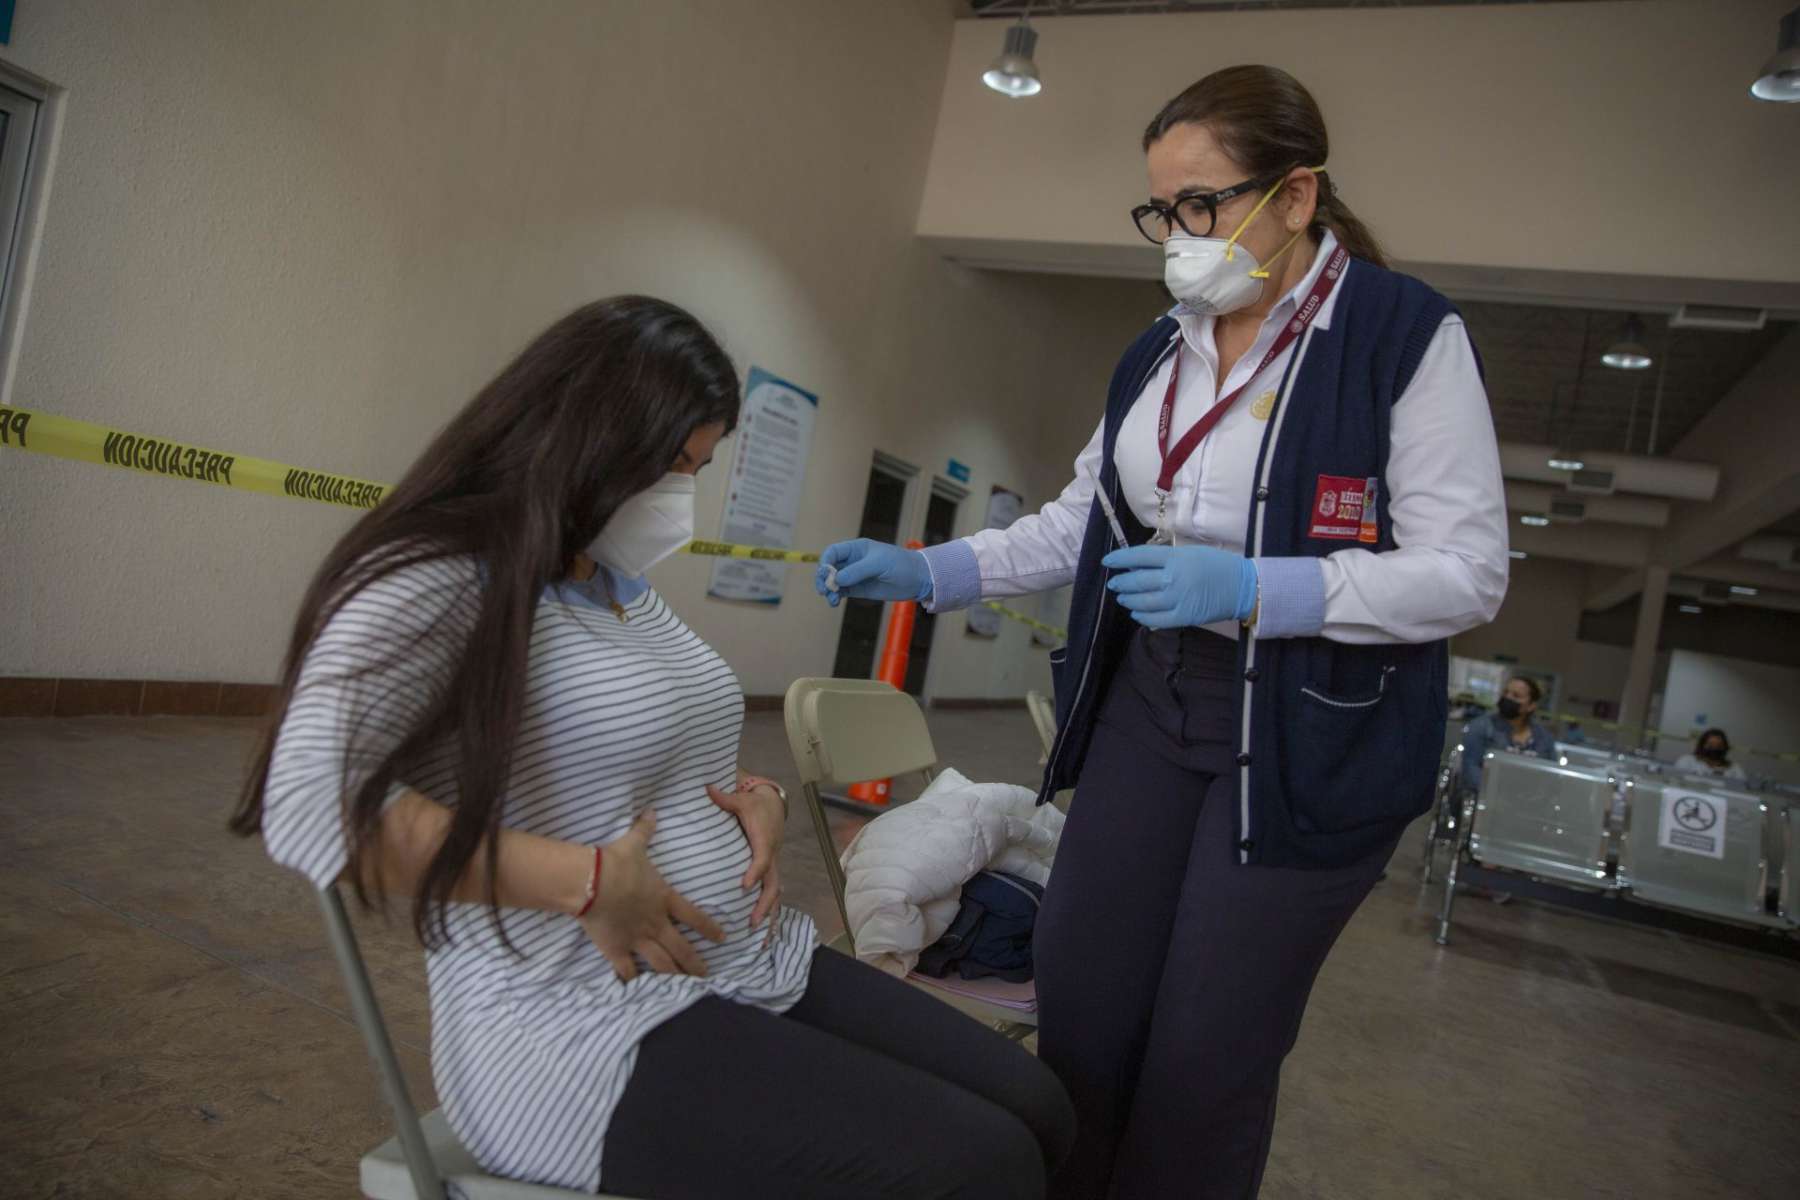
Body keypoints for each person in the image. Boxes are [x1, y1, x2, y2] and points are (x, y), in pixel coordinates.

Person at [815, 65, 1507, 1200]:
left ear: (1297, 195)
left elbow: (1468, 574)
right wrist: (935, 567)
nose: (1180, 233)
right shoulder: (1163, 346)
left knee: (1205, 1057)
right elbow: (1085, 519)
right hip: (1152, 703)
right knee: (1083, 1001)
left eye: (1204, 202)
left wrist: (1257, 589)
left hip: (1303, 736)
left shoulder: (1403, 336)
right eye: (1163, 209)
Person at [230, 297, 1073, 1199]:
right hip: (577, 1022)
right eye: (675, 465)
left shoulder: (611, 579)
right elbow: (307, 805)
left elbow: (651, 732)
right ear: (589, 434)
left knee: (1040, 1110)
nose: (683, 496)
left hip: (748, 963)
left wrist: (757, 796)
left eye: (699, 468)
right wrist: (589, 881)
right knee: (984, 1165)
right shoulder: (438, 574)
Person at [1458, 675, 1557, 794]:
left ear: (1531, 705)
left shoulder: (1543, 738)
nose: (1508, 697)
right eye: (1506, 692)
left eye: (1516, 696)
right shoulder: (1481, 727)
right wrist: (1497, 796)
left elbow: (1550, 776)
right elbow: (1471, 769)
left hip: (1527, 803)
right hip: (1486, 799)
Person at [1675, 728, 1748, 781]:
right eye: (1710, 745)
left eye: (1719, 745)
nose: (1715, 748)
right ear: (1702, 745)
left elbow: (1743, 788)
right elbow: (1675, 781)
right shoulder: (1687, 761)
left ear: (1725, 748)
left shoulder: (1734, 769)